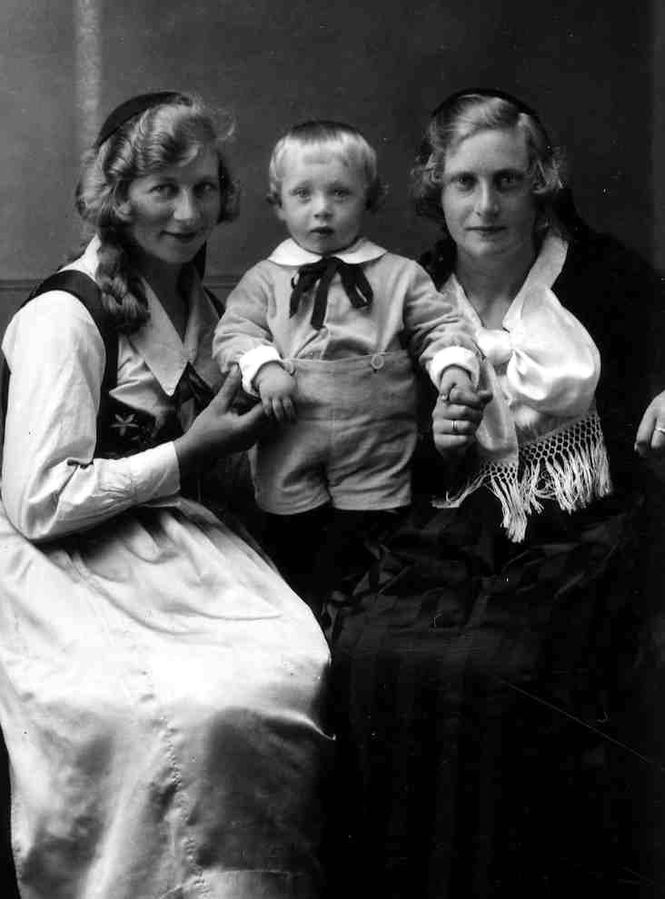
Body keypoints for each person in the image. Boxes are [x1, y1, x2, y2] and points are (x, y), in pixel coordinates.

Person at [327, 88, 665, 897]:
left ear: (538, 182)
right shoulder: (407, 293)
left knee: (501, 665)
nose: (485, 206)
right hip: (443, 537)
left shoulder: (605, 277)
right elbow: (372, 450)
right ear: (434, 189)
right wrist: (434, 444)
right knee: (370, 652)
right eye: (464, 183)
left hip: (583, 535)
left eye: (507, 181)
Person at [0, 91, 331, 899]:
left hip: (174, 546)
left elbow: (224, 465)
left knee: (289, 667)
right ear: (119, 197)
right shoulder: (65, 315)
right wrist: (187, 453)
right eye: (163, 189)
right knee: (172, 705)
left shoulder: (210, 311)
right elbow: (38, 501)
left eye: (203, 188)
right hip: (64, 560)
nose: (187, 213)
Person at [212, 120, 481, 609]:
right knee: (295, 555)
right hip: (290, 444)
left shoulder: (400, 275)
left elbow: (441, 326)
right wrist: (265, 368)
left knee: (370, 558)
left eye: (340, 193)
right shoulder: (265, 279)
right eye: (303, 194)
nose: (321, 209)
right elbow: (234, 334)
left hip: (376, 447)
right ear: (278, 203)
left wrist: (454, 371)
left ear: (368, 198)